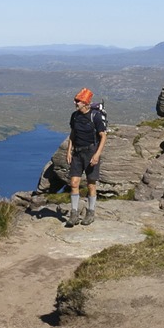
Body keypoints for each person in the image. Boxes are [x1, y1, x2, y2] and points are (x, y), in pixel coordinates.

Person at [66, 88, 107, 226]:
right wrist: (69, 151)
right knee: (74, 183)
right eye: (75, 100)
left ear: (85, 102)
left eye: (78, 101)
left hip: (91, 152)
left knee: (91, 184)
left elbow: (103, 136)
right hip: (77, 153)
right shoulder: (75, 116)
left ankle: (90, 213)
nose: (75, 103)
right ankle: (74, 214)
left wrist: (97, 154)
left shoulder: (95, 116)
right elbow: (72, 134)